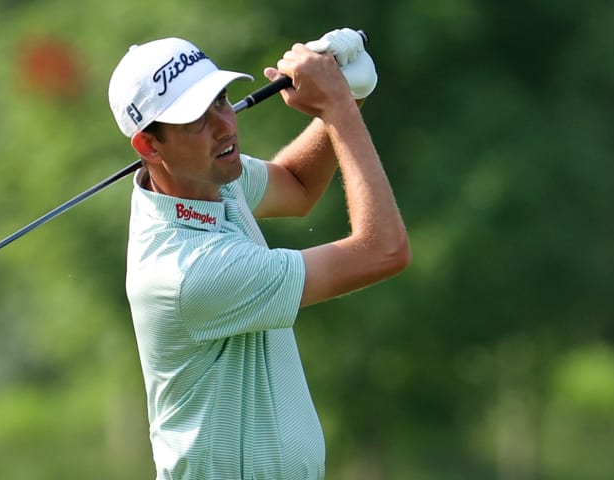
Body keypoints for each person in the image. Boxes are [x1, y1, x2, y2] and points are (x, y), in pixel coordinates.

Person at [107, 33, 410, 479]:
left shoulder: (207, 181)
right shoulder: (189, 271)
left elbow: (297, 184)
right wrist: (338, 109)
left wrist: (350, 96)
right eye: (196, 119)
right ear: (150, 147)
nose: (225, 126)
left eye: (221, 100)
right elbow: (384, 251)